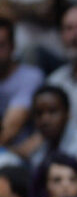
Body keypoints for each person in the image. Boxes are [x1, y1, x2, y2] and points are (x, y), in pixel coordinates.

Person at [17, 85, 77, 171]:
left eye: (52, 111)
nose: (45, 119)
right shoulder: (37, 152)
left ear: (68, 113)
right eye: (39, 113)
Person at [0, 17, 44, 146]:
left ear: (13, 46)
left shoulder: (30, 77)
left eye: (1, 45)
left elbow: (8, 131)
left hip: (18, 153)